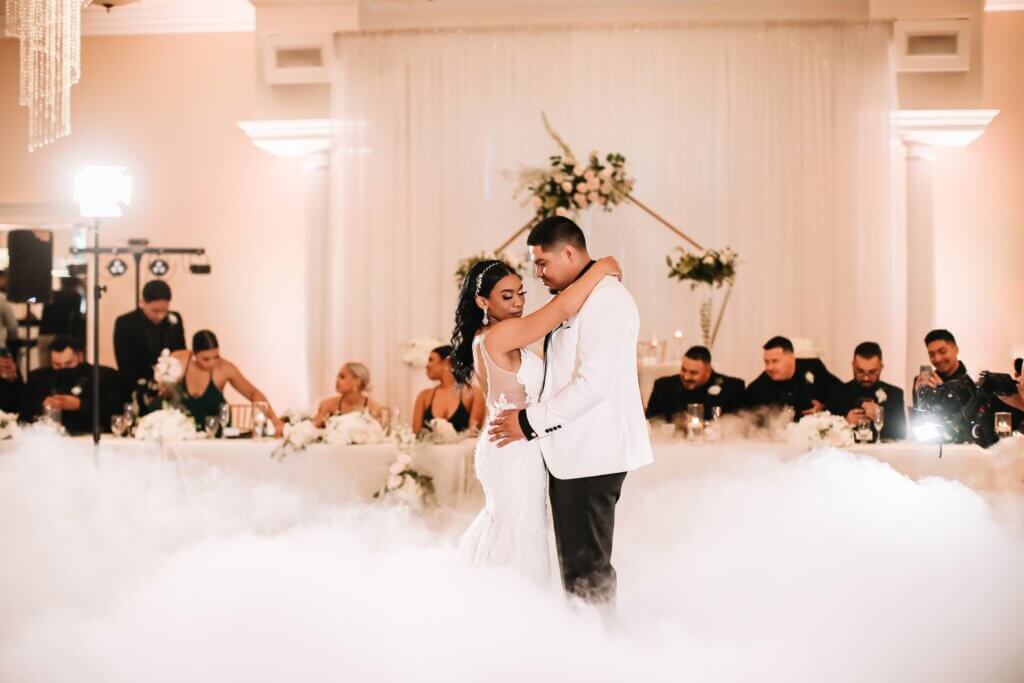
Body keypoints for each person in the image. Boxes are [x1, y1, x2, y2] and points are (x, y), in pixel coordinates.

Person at [484, 216, 653, 605]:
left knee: (587, 569)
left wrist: (528, 422)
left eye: (542, 263)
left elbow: (593, 384)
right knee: (576, 567)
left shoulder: (607, 299)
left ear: (569, 252)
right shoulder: (583, 293)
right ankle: (584, 646)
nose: (538, 274)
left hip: (591, 453)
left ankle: (600, 649)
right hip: (571, 451)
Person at [169, 330, 283, 435]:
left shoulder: (225, 368)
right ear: (194, 354)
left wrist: (275, 420)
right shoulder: (180, 361)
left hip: (217, 431)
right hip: (183, 431)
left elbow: (253, 393)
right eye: (206, 359)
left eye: (216, 356)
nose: (212, 363)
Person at [19, 335, 120, 435]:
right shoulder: (38, 379)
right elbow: (23, 419)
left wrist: (80, 405)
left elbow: (115, 414)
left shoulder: (102, 377)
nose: (63, 368)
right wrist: (44, 407)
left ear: (80, 357)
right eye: (57, 364)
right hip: (49, 441)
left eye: (69, 363)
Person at [113, 280, 186, 404]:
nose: (161, 316)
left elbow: (180, 353)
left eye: (165, 310)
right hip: (137, 389)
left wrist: (172, 382)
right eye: (155, 311)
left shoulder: (175, 319)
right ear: (142, 303)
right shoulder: (125, 323)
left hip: (170, 388)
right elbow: (125, 364)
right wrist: (147, 388)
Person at [826, 342, 906, 441]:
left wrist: (879, 418)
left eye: (872, 372)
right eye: (860, 371)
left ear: (881, 367)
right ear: (853, 366)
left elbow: (901, 435)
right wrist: (845, 423)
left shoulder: (895, 394)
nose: (866, 377)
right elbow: (826, 435)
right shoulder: (837, 393)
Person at [645, 345, 745, 423]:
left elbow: (739, 426)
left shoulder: (732, 388)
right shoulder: (663, 386)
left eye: (693, 373)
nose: (686, 377)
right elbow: (650, 422)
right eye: (683, 370)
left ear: (708, 371)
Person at [744, 335, 838, 417]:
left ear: (792, 358)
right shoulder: (756, 389)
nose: (770, 367)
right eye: (766, 362)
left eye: (775, 361)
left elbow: (840, 391)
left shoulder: (813, 367)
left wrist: (823, 407)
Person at [411, 345, 484, 434]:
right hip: (427, 448)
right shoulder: (424, 396)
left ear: (446, 363)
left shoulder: (474, 393)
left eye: (431, 360)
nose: (427, 365)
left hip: (464, 448)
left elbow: (473, 433)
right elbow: (416, 436)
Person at [312, 362, 384, 427]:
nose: (337, 380)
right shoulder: (327, 404)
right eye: (337, 377)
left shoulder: (374, 408)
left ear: (357, 382)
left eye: (342, 377)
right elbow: (312, 429)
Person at [913, 329, 970, 407]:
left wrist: (943, 391)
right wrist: (920, 397)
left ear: (956, 349)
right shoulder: (925, 383)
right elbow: (918, 417)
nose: (937, 359)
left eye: (942, 351)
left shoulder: (969, 386)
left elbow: (964, 417)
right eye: (932, 354)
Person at [38, 276, 86, 367]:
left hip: (44, 333)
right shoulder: (75, 296)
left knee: (45, 367)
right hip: (62, 335)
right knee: (64, 367)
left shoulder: (51, 294)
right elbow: (75, 316)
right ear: (75, 285)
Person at [0, 346, 22, 413]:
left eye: (9, 366)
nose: (7, 369)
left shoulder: (15, 372)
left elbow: (23, 399)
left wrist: (13, 380)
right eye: (4, 367)